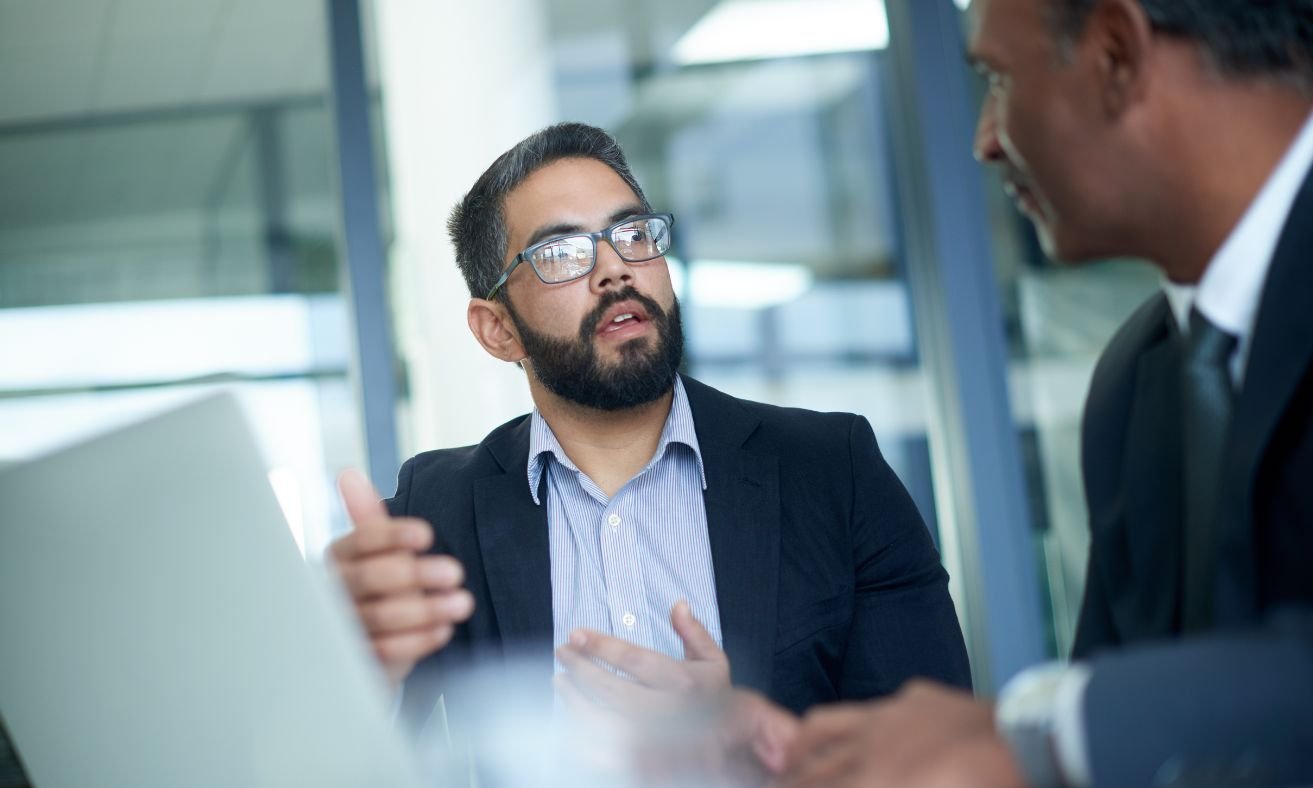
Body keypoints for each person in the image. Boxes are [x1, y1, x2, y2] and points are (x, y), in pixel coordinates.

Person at [732, 0, 1313, 785]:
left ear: (1114, 53)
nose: (984, 140)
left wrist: (1041, 733)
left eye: (998, 80)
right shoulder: (1135, 382)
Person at [328, 122, 971, 737]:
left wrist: (755, 748)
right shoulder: (436, 515)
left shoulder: (832, 472)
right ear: (498, 329)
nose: (615, 269)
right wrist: (346, 665)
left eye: (632, 233)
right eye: (562, 252)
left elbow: (939, 752)